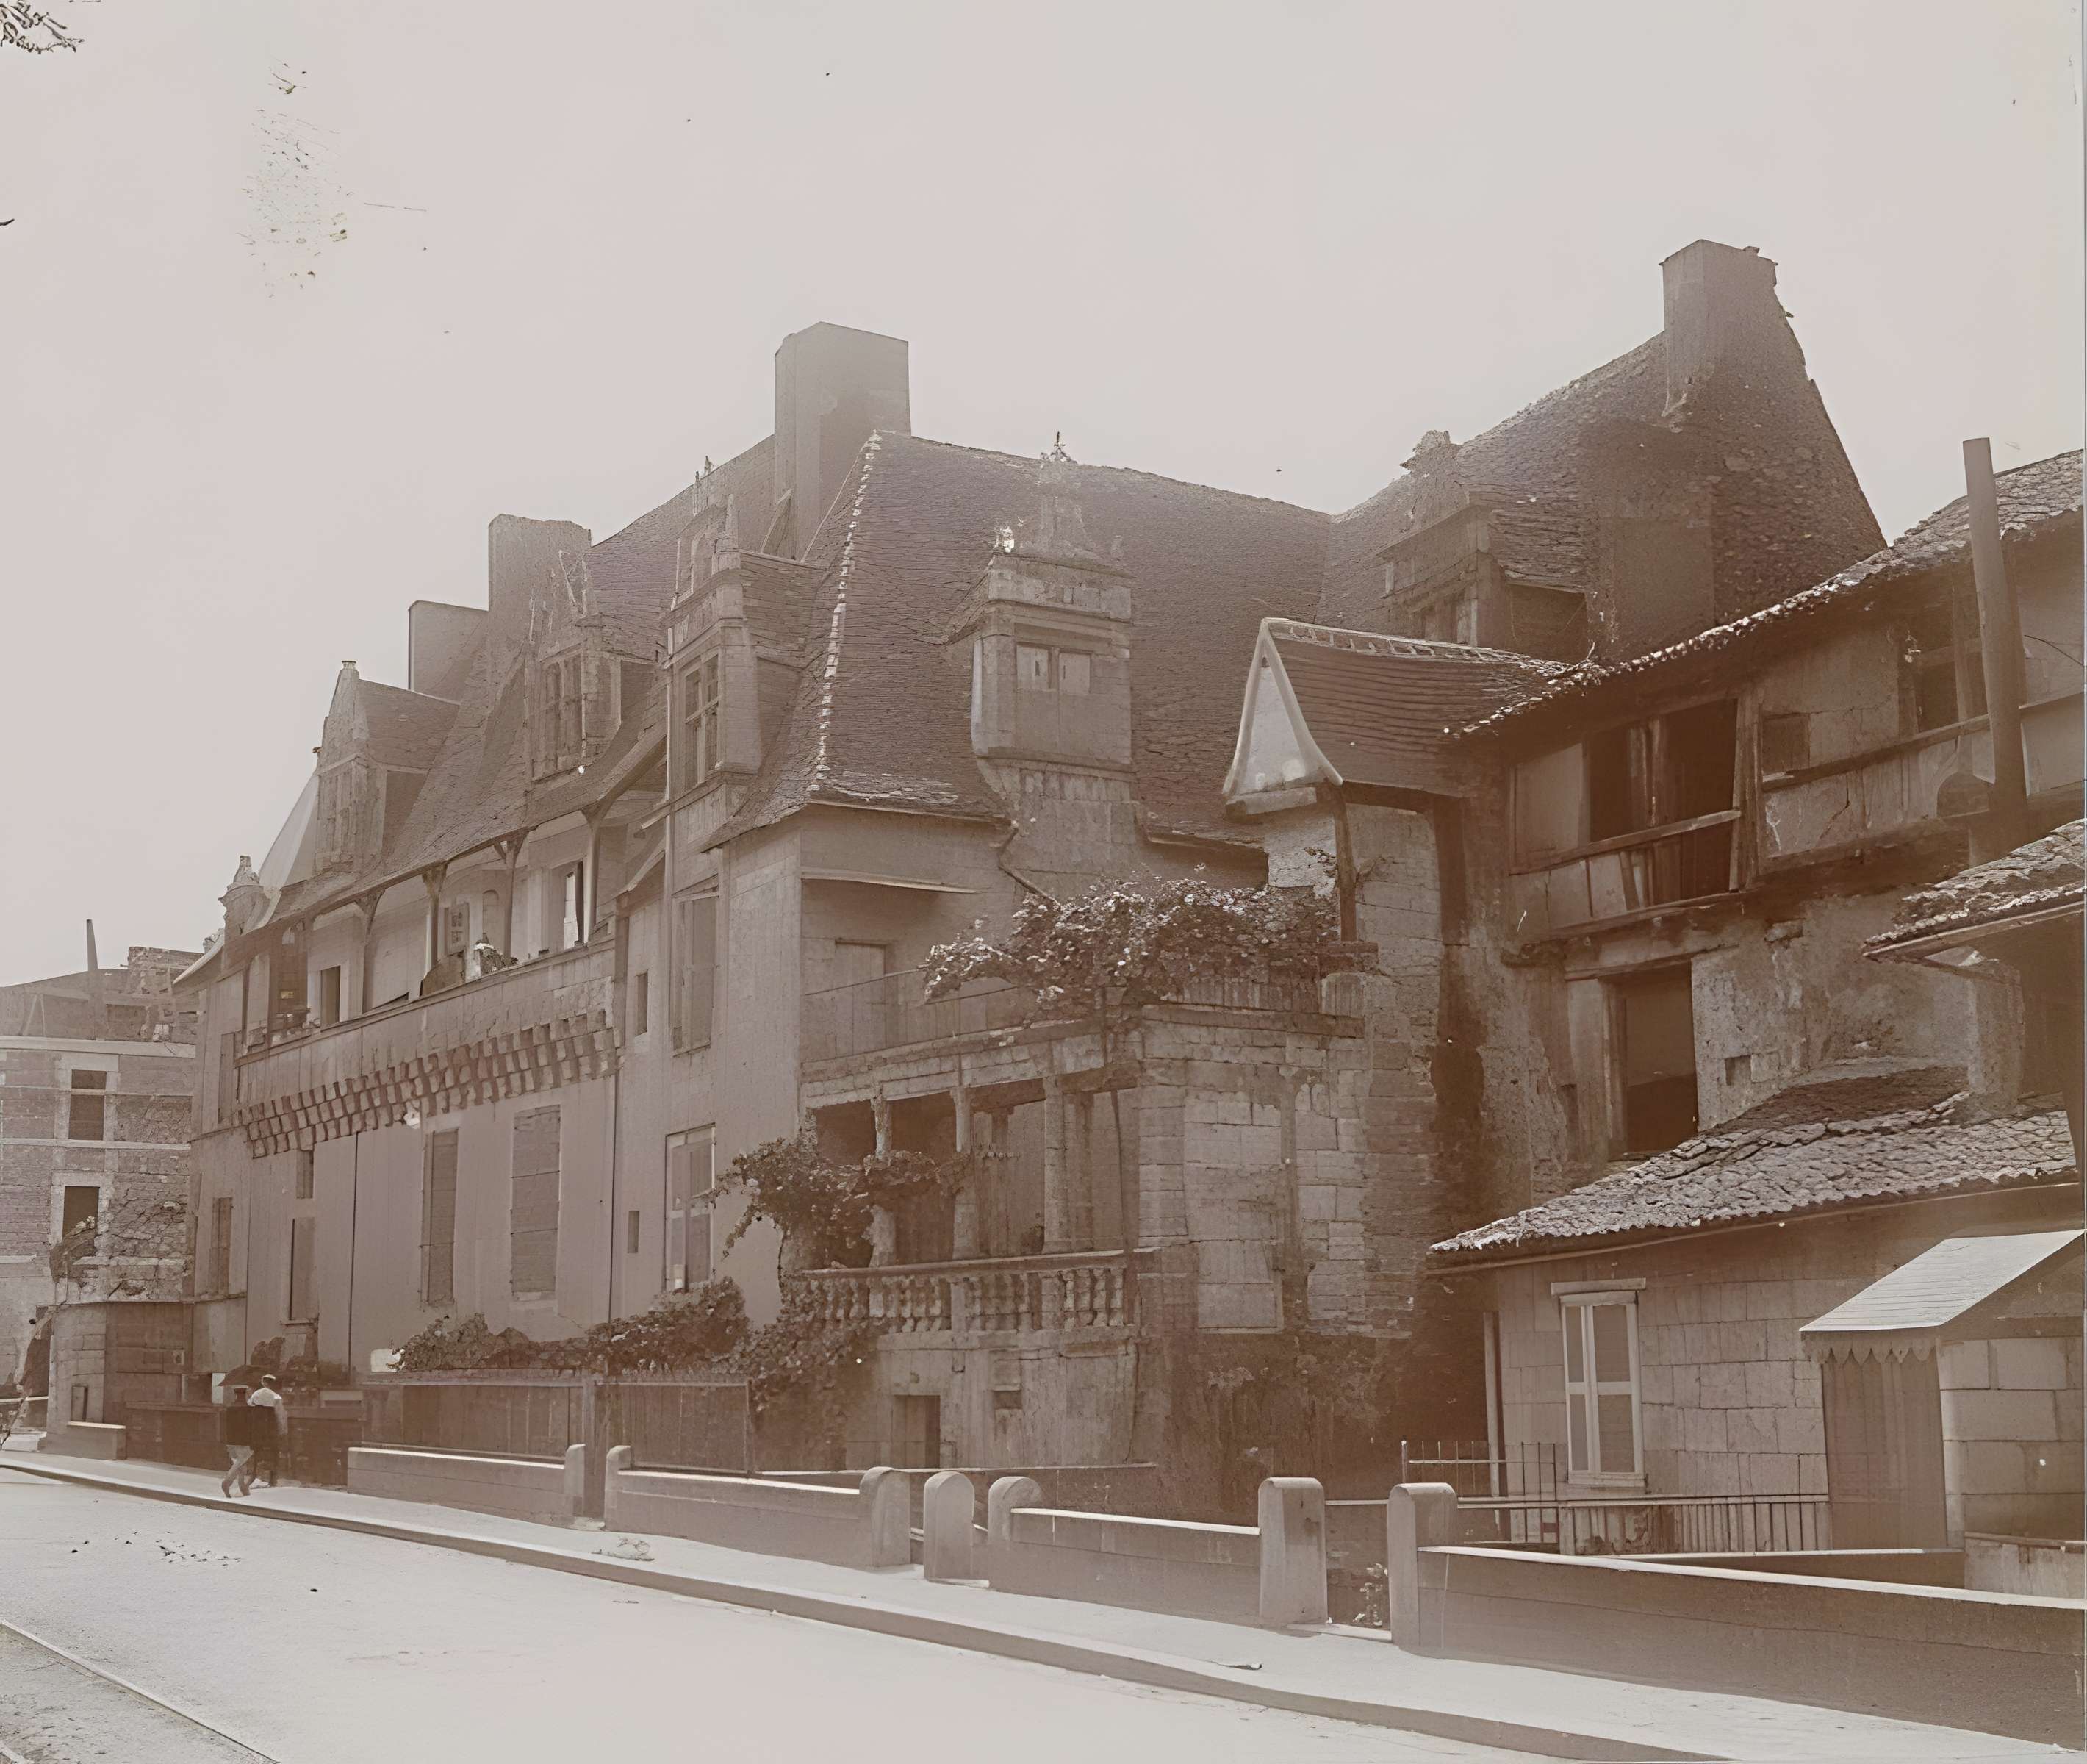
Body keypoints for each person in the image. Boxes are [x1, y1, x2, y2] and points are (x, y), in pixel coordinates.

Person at [246, 1373, 288, 1487]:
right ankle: (272, 1479)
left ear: (264, 1382)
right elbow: (280, 1415)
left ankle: (255, 1476)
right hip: (271, 1425)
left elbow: (249, 1405)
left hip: (258, 1425)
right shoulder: (276, 1397)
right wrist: (283, 1430)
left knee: (258, 1451)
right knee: (273, 1451)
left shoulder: (256, 1394)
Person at [220, 1384, 260, 1497]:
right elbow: (253, 1427)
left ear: (235, 1394)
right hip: (245, 1441)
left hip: (231, 1441)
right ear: (246, 1393)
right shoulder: (250, 1410)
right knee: (239, 1463)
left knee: (240, 1465)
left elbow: (226, 1425)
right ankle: (227, 1481)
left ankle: (243, 1488)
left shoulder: (230, 1408)